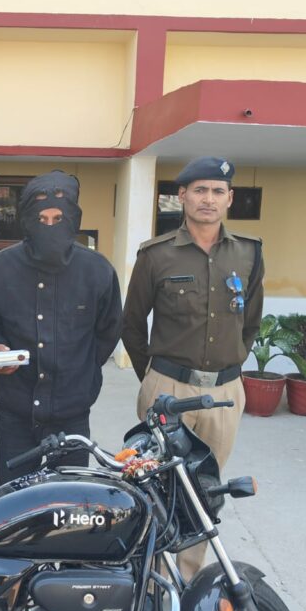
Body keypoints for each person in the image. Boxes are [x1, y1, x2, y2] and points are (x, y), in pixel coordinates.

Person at [122, 156, 264, 581]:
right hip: (168, 388)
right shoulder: (156, 255)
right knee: (156, 487)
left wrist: (228, 370)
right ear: (181, 196)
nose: (208, 199)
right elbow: (132, 324)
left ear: (229, 198)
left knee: (205, 492)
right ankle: (150, 582)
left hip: (224, 393)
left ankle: (184, 583)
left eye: (218, 191)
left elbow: (251, 322)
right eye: (199, 190)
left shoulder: (248, 253)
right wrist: (155, 378)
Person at [0, 170, 122, 485]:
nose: (50, 227)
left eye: (58, 219)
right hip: (16, 413)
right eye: (42, 219)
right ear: (27, 220)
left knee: (68, 502)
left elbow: (108, 332)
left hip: (72, 415)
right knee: (15, 501)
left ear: (73, 219)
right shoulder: (0, 269)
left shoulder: (98, 271)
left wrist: (79, 367)